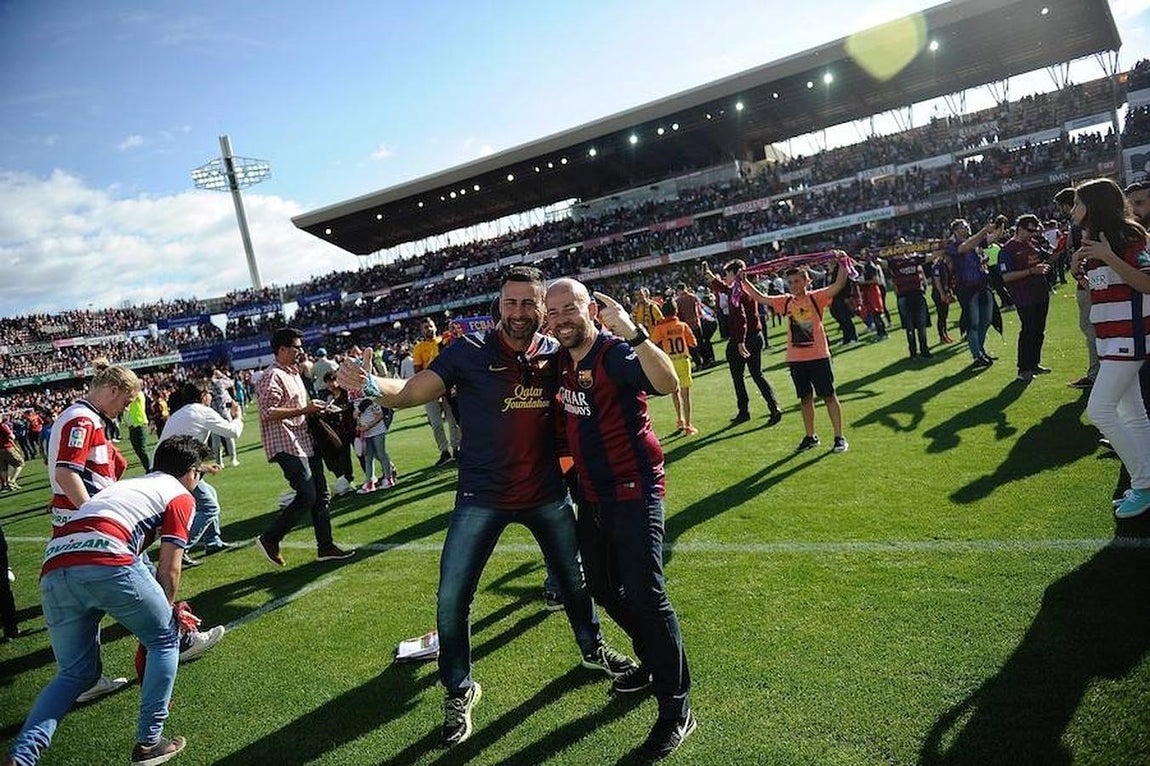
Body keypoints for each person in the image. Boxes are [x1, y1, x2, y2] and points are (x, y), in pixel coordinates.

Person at [338, 266, 636, 748]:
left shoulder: (555, 352)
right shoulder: (468, 351)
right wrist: (372, 382)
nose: (518, 312)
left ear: (542, 309)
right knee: (452, 598)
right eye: (510, 303)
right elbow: (412, 393)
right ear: (499, 305)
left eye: (528, 304)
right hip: (482, 496)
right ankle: (458, 688)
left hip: (546, 493)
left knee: (575, 582)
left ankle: (592, 649)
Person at [546, 278, 697, 760]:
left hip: (635, 490)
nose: (563, 318)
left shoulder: (612, 352)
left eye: (571, 308)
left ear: (590, 308)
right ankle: (653, 661)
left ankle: (677, 708)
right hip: (591, 496)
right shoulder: (560, 364)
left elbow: (666, 383)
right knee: (606, 588)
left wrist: (634, 333)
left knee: (647, 594)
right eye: (555, 312)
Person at [5, 436, 212, 766]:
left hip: (55, 566)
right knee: (164, 639)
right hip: (107, 558)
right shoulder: (180, 496)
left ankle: (22, 754)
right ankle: (149, 743)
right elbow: (170, 566)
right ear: (190, 472)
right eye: (200, 472)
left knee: (75, 674)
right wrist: (168, 612)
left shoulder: (127, 486)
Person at [1070, 178, 1150, 519]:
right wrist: (1080, 274)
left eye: (1077, 203)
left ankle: (1144, 485)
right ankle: (1145, 483)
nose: (1073, 210)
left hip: (1129, 339)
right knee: (1133, 415)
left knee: (1100, 410)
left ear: (1096, 205)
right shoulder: (1092, 241)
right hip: (1111, 341)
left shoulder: (1129, 236)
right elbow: (1109, 289)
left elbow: (1146, 283)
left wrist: (1106, 255)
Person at [254, 327, 354, 567]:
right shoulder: (273, 375)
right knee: (308, 494)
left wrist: (315, 407)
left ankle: (326, 546)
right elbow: (268, 412)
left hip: (304, 440)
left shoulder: (294, 372)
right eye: (296, 347)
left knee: (321, 495)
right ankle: (270, 538)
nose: (300, 350)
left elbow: (297, 406)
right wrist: (304, 409)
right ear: (282, 349)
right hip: (285, 441)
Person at [741, 257, 851, 453]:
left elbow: (839, 284)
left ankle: (839, 437)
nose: (793, 285)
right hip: (796, 359)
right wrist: (744, 280)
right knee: (805, 399)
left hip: (818, 356)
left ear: (807, 281)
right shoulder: (786, 301)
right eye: (790, 282)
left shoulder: (816, 297)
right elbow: (760, 298)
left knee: (829, 396)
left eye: (797, 281)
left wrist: (842, 261)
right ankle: (811, 437)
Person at [159, 380, 243, 557]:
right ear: (203, 396)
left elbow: (179, 449)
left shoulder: (178, 413)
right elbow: (233, 432)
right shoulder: (203, 411)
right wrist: (237, 416)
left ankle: (213, 541)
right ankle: (179, 549)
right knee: (209, 506)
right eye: (209, 393)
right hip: (178, 471)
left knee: (210, 494)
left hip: (167, 467)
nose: (211, 396)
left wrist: (202, 467)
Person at [704, 259, 783, 425]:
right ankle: (774, 406)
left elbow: (741, 319)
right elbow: (726, 289)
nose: (725, 277)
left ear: (734, 274)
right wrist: (713, 279)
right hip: (756, 336)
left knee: (738, 377)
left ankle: (744, 411)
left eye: (727, 274)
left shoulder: (738, 292)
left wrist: (740, 342)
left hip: (742, 339)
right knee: (757, 374)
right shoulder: (745, 288)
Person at [999, 214, 1053, 381]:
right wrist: (1031, 271)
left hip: (1040, 293)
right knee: (1028, 330)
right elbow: (1006, 277)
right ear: (1020, 228)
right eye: (1030, 230)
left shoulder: (1033, 244)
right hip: (1024, 297)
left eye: (1035, 230)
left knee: (1039, 330)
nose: (1033, 234)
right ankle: (1023, 368)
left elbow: (1051, 255)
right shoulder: (1007, 250)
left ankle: (1034, 363)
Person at [949, 218, 1003, 368]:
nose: (966, 228)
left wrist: (1000, 224)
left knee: (986, 320)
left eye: (967, 225)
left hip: (983, 285)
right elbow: (965, 247)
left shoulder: (976, 241)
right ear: (955, 231)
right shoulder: (953, 246)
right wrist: (985, 230)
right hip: (967, 288)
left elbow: (996, 237)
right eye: (962, 227)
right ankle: (976, 355)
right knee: (973, 323)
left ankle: (980, 351)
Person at [412, 318, 461, 467]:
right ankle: (444, 451)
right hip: (429, 391)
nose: (429, 329)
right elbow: (418, 371)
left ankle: (456, 448)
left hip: (447, 387)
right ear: (422, 330)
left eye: (431, 326)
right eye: (425, 327)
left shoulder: (444, 340)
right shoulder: (418, 348)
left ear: (435, 327)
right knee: (436, 424)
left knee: (453, 421)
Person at [650, 300, 699, 435]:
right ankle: (689, 425)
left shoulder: (660, 328)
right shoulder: (682, 326)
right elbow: (693, 343)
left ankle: (680, 420)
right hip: (683, 361)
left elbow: (653, 342)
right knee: (686, 394)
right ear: (676, 311)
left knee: (675, 391)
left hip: (669, 362)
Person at [886, 251, 932, 359]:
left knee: (921, 325)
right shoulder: (894, 262)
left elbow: (930, 257)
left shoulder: (915, 259)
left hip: (917, 295)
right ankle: (913, 353)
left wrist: (943, 246)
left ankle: (924, 350)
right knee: (909, 327)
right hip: (904, 297)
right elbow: (881, 262)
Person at [354, 397, 394, 493]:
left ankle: (388, 479)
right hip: (365, 433)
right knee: (368, 457)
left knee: (381, 454)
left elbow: (380, 414)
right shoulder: (355, 400)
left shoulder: (370, 398)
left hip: (377, 431)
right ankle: (369, 482)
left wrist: (368, 426)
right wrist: (359, 425)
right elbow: (360, 417)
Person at [674, 282, 713, 368]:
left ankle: (698, 363)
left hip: (687, 326)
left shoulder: (678, 301)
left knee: (691, 346)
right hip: (696, 323)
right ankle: (707, 360)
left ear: (679, 290)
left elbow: (678, 315)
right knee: (700, 342)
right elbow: (699, 311)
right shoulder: (693, 297)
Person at [930, 250, 956, 344]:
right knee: (941, 315)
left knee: (944, 315)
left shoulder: (944, 265)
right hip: (938, 293)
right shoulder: (938, 266)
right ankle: (942, 336)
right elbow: (937, 281)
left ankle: (945, 334)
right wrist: (942, 294)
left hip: (944, 292)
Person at [0, 419, 24, 491]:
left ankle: (6, 485)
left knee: (3, 468)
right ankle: (12, 481)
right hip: (7, 448)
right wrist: (13, 435)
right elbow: (11, 437)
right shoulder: (3, 426)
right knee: (20, 463)